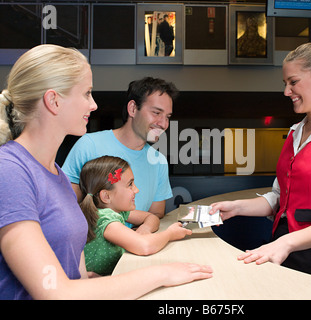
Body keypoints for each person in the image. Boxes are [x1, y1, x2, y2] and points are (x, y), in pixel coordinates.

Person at [0, 44, 212, 300]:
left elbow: (72, 271)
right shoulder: (10, 170)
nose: (94, 104)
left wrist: (89, 279)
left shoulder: (54, 172)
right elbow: (55, 292)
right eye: (87, 93)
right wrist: (161, 274)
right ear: (53, 100)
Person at [210, 39, 311, 282]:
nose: (287, 92)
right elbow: (280, 199)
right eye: (285, 84)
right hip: (283, 248)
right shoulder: (296, 131)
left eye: (293, 82)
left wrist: (286, 243)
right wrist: (237, 207)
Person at [62, 76, 178, 227]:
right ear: (133, 109)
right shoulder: (89, 145)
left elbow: (157, 213)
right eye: (156, 113)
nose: (163, 124)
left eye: (167, 117)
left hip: (138, 246)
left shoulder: (159, 161)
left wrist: (136, 237)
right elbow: (66, 204)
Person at [79, 155, 192, 276]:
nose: (136, 190)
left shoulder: (117, 211)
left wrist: (145, 228)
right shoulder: (104, 218)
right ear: (106, 196)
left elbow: (151, 217)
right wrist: (170, 234)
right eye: (130, 184)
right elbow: (145, 246)